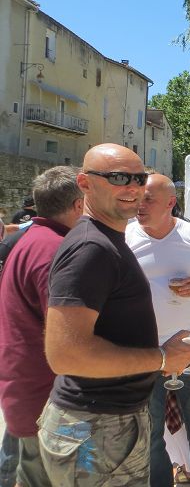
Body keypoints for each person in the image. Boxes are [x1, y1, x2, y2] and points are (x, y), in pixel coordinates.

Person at [39, 144, 190, 485]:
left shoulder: (108, 240)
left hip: (108, 423)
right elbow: (65, 355)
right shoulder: (90, 248)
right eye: (117, 177)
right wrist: (162, 357)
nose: (132, 187)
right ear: (84, 184)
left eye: (139, 178)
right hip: (95, 427)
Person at [126, 173, 190, 487]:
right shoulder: (124, 236)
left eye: (148, 199)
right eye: (138, 198)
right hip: (146, 353)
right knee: (151, 435)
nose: (140, 205)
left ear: (170, 202)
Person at [0, 167, 84, 487]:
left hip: (25, 385)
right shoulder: (55, 250)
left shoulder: (31, 239)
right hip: (46, 394)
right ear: (79, 205)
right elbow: (68, 334)